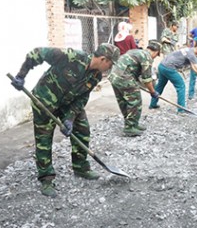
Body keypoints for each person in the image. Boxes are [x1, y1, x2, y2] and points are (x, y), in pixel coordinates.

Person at [10, 43, 120, 198]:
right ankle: (46, 178)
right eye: (110, 63)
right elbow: (37, 53)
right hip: (45, 100)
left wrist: (70, 118)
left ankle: (80, 166)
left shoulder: (96, 76)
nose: (110, 67)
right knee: (44, 139)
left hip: (68, 104)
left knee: (82, 130)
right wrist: (21, 75)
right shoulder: (71, 57)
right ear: (103, 59)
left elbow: (82, 98)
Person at [109, 40, 162, 137]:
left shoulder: (135, 51)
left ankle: (132, 124)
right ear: (155, 51)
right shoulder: (147, 57)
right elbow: (147, 79)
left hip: (113, 76)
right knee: (135, 101)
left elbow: (138, 74)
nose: (155, 57)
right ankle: (130, 127)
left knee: (124, 101)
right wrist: (153, 92)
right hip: (124, 78)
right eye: (156, 54)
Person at [149, 40, 197, 113]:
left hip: (162, 66)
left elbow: (194, 68)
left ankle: (153, 104)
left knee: (160, 85)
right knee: (181, 86)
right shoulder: (191, 54)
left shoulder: (189, 50)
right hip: (169, 68)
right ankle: (181, 110)